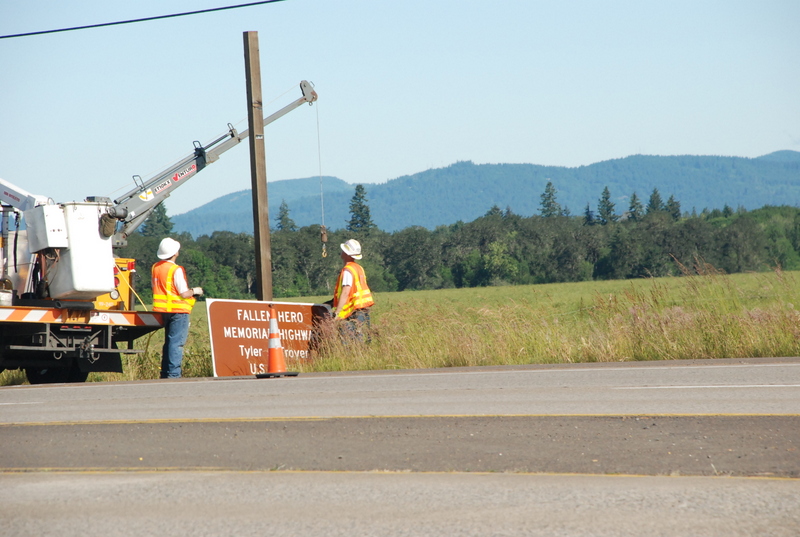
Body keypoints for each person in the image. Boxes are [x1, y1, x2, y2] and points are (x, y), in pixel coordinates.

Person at [151, 237, 203, 378]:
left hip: (162, 311)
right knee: (176, 344)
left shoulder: (156, 267)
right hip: (178, 311)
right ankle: (174, 375)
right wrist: (195, 291)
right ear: (175, 253)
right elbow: (184, 293)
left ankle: (165, 373)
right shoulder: (176, 269)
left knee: (169, 343)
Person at [331, 239, 374, 341]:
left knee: (349, 339)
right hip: (362, 308)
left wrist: (337, 312)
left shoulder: (347, 270)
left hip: (352, 309)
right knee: (359, 337)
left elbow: (346, 292)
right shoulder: (359, 268)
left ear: (347, 254)